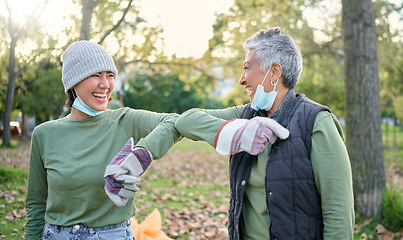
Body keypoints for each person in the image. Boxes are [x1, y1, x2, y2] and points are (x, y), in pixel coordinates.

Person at [175, 27, 354, 239]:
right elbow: (186, 120)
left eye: (247, 68)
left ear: (274, 72)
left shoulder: (317, 121)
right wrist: (238, 132)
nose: (241, 80)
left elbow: (339, 215)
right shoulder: (245, 115)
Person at [25, 40, 181, 240]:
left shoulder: (125, 120)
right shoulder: (44, 134)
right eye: (96, 75)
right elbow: (36, 203)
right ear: (74, 82)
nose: (106, 85)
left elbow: (175, 121)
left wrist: (143, 153)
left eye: (110, 76)